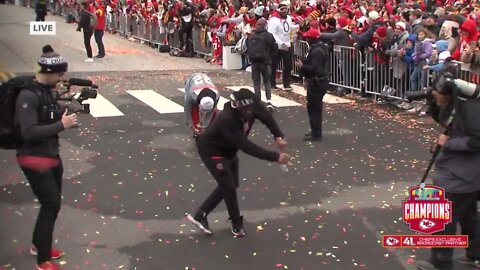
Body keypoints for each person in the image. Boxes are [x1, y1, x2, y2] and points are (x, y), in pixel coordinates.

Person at [186, 88, 290, 237]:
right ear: (237, 106)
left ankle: (201, 214)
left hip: (229, 150)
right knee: (228, 185)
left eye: (250, 109)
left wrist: (278, 136)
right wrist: (275, 157)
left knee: (232, 184)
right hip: (212, 151)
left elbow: (267, 117)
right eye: (244, 109)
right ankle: (235, 223)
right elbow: (246, 146)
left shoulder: (255, 106)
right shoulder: (228, 119)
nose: (248, 112)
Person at [15, 45, 77, 270]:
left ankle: (39, 243)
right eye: (59, 75)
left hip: (51, 154)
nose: (61, 79)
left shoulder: (45, 91)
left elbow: (46, 116)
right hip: (33, 157)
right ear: (49, 72)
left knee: (52, 204)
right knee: (50, 204)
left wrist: (63, 113)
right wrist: (61, 124)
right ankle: (43, 260)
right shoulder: (28, 95)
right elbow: (28, 131)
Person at [416, 73, 480, 270]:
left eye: (436, 91)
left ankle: (440, 262)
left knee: (444, 217)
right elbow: (445, 121)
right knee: (469, 216)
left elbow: (477, 140)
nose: (433, 93)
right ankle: (476, 255)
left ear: (448, 92)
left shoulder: (469, 108)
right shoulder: (457, 105)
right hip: (464, 174)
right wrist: (432, 103)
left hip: (461, 175)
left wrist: (449, 144)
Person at [295, 28, 330, 142]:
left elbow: (315, 68)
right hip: (316, 81)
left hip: (317, 82)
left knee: (314, 107)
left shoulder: (317, 51)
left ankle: (316, 133)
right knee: (313, 107)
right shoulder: (317, 49)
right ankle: (314, 130)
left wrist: (302, 66)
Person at [247, 18, 277, 112]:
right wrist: (270, 57)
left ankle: (257, 102)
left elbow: (248, 48)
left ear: (257, 24)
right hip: (265, 62)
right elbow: (274, 48)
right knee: (267, 82)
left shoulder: (251, 36)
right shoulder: (268, 36)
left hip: (254, 62)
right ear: (265, 25)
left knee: (256, 83)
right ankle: (269, 102)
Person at [267, 3, 299, 91]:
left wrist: (299, 26)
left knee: (288, 65)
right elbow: (271, 33)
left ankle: (286, 83)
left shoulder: (289, 18)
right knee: (274, 65)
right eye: (282, 9)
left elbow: (289, 28)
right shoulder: (274, 20)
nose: (285, 11)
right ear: (278, 10)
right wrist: (281, 43)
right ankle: (271, 84)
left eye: (286, 9)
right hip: (277, 46)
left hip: (288, 44)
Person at [184, 73, 220, 137]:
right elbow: (187, 110)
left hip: (205, 80)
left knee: (214, 113)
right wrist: (192, 126)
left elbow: (210, 112)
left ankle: (206, 129)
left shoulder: (216, 96)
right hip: (192, 79)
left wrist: (205, 126)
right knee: (193, 108)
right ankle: (196, 130)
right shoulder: (192, 95)